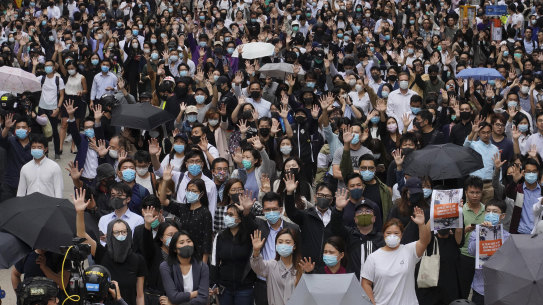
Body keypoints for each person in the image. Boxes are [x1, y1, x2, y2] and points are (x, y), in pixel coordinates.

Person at [74, 188, 147, 305]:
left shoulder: (138, 260)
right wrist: (80, 213)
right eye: (116, 233)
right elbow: (82, 235)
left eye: (124, 232)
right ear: (109, 235)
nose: (121, 235)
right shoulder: (102, 253)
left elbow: (140, 296)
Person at [361, 207, 431, 305]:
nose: (392, 236)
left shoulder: (409, 250)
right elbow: (366, 283)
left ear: (402, 235)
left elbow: (424, 241)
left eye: (396, 233)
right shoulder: (373, 257)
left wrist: (421, 224)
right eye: (388, 233)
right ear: (383, 235)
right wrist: (372, 303)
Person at [250, 192, 299, 305]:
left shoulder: (293, 228)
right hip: (262, 280)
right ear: (263, 211)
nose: (271, 212)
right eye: (267, 209)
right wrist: (247, 210)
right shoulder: (258, 226)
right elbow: (247, 221)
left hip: (287, 280)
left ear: (281, 210)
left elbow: (298, 251)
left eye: (274, 209)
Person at [210, 193, 257, 305]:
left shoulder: (249, 235)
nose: (227, 217)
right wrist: (214, 284)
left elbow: (254, 227)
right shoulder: (220, 236)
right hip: (224, 288)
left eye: (231, 215)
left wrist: (246, 211)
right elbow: (214, 262)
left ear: (239, 219)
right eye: (226, 214)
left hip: (245, 287)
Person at [158, 173, 213, 263]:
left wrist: (204, 264)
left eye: (194, 191)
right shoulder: (183, 208)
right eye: (188, 190)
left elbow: (207, 241)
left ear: (202, 193)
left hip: (198, 257)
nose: (190, 193)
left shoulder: (205, 213)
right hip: (181, 254)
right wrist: (165, 181)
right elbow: (162, 200)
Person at [331, 188, 385, 279]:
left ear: (374, 218)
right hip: (353, 285)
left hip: (377, 286)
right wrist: (338, 209)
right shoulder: (349, 235)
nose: (364, 213)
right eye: (359, 211)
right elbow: (335, 226)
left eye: (368, 211)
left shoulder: (382, 239)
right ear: (355, 219)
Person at [283, 174, 334, 269]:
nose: (323, 198)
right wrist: (289, 193)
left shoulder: (336, 218)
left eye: (327, 196)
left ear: (331, 200)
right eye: (320, 195)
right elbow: (291, 212)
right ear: (315, 197)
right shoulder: (306, 215)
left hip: (330, 266)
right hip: (308, 266)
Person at [467, 199, 510, 305]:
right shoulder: (476, 232)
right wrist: (483, 232)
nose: (490, 214)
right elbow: (471, 251)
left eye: (495, 212)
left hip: (501, 288)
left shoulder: (508, 237)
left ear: (502, 216)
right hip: (480, 287)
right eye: (488, 211)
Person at [250, 228, 302, 305]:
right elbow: (257, 266)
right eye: (280, 242)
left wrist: (309, 272)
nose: (283, 245)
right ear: (276, 245)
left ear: (294, 246)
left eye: (288, 242)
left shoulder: (300, 267)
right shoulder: (271, 266)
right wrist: (256, 251)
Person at [159, 230, 209, 305]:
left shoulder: (202, 266)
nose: (186, 245)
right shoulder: (166, 267)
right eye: (181, 243)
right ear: (175, 249)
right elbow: (174, 297)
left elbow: (203, 299)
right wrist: (194, 294)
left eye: (189, 241)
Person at [458, 176, 486, 299]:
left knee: (481, 292)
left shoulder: (487, 211)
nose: (475, 195)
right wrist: (465, 230)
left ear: (482, 192)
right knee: (463, 290)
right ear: (466, 193)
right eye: (472, 192)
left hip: (483, 257)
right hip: (465, 256)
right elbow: (455, 237)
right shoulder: (460, 211)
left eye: (478, 192)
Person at [463, 118, 499, 204]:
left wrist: (497, 184)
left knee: (487, 212)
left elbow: (497, 167)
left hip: (489, 185)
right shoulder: (473, 145)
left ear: (491, 132)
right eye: (483, 132)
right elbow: (465, 145)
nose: (486, 135)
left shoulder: (495, 149)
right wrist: (472, 132)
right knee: (471, 211)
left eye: (488, 132)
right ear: (479, 133)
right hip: (473, 184)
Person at [0, 113, 32, 201]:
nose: (20, 130)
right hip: (10, 184)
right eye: (18, 128)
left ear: (29, 129)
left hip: (28, 185)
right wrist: (6, 128)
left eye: (23, 127)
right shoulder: (11, 141)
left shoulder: (34, 145)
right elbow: (2, 139)